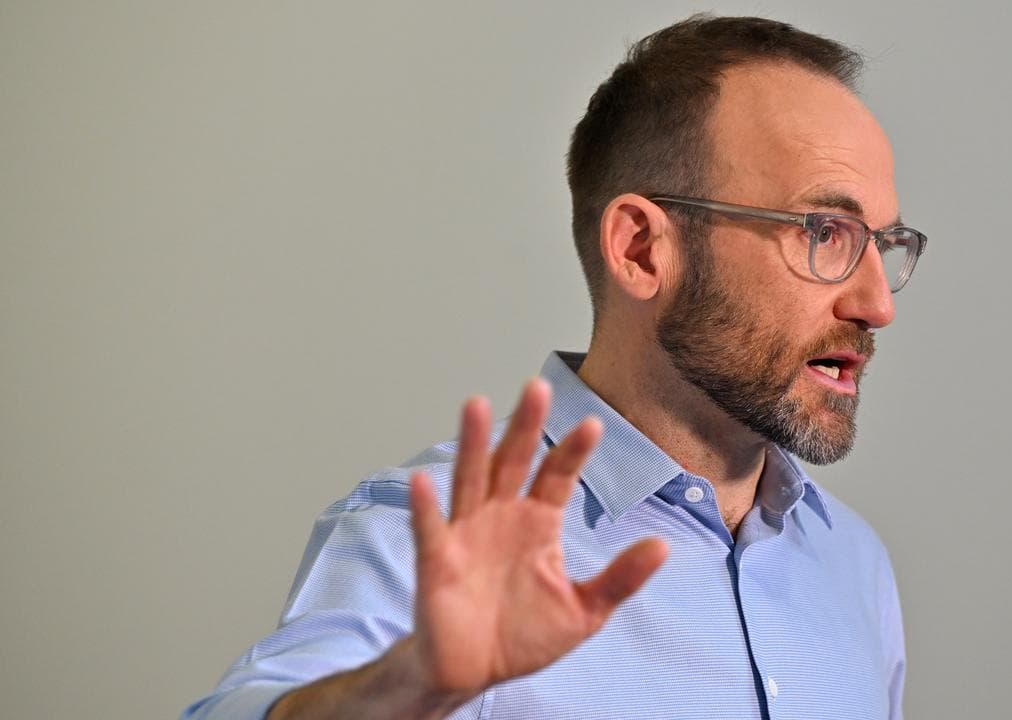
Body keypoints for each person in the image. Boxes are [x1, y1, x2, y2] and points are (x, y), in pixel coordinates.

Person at [183, 14, 926, 720]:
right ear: (641, 249)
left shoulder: (852, 564)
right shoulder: (433, 538)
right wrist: (410, 686)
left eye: (884, 243)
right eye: (827, 233)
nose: (876, 305)